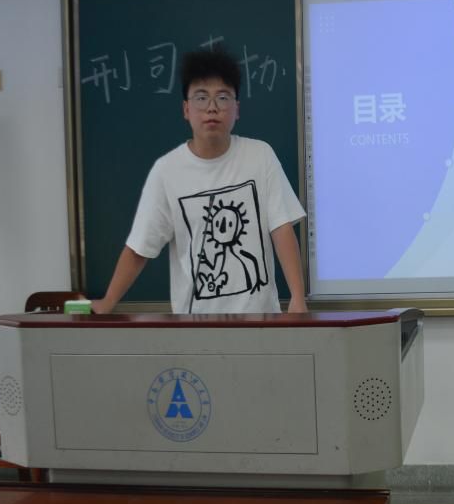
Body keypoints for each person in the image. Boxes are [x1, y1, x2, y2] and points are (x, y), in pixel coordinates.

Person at [91, 48, 307, 314]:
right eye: (201, 98)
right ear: (186, 109)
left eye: (223, 97)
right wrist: (108, 302)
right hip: (194, 325)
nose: (212, 108)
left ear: (237, 109)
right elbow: (139, 248)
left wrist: (298, 298)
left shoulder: (260, 156)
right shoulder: (167, 171)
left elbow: (281, 229)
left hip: (260, 320)